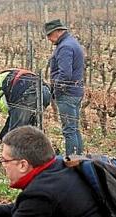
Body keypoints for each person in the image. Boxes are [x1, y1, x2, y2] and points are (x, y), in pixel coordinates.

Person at [0, 69, 51, 142]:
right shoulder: (7, 82)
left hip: (28, 93)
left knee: (15, 137)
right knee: (31, 131)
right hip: (45, 91)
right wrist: (1, 138)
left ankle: (16, 159)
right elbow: (12, 119)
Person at [45, 19, 85, 156]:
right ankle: (78, 158)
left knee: (69, 130)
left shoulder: (65, 47)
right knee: (74, 129)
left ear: (58, 32)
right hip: (76, 91)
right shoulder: (71, 42)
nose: (49, 39)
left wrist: (57, 90)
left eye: (50, 35)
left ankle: (71, 161)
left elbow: (65, 74)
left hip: (67, 94)